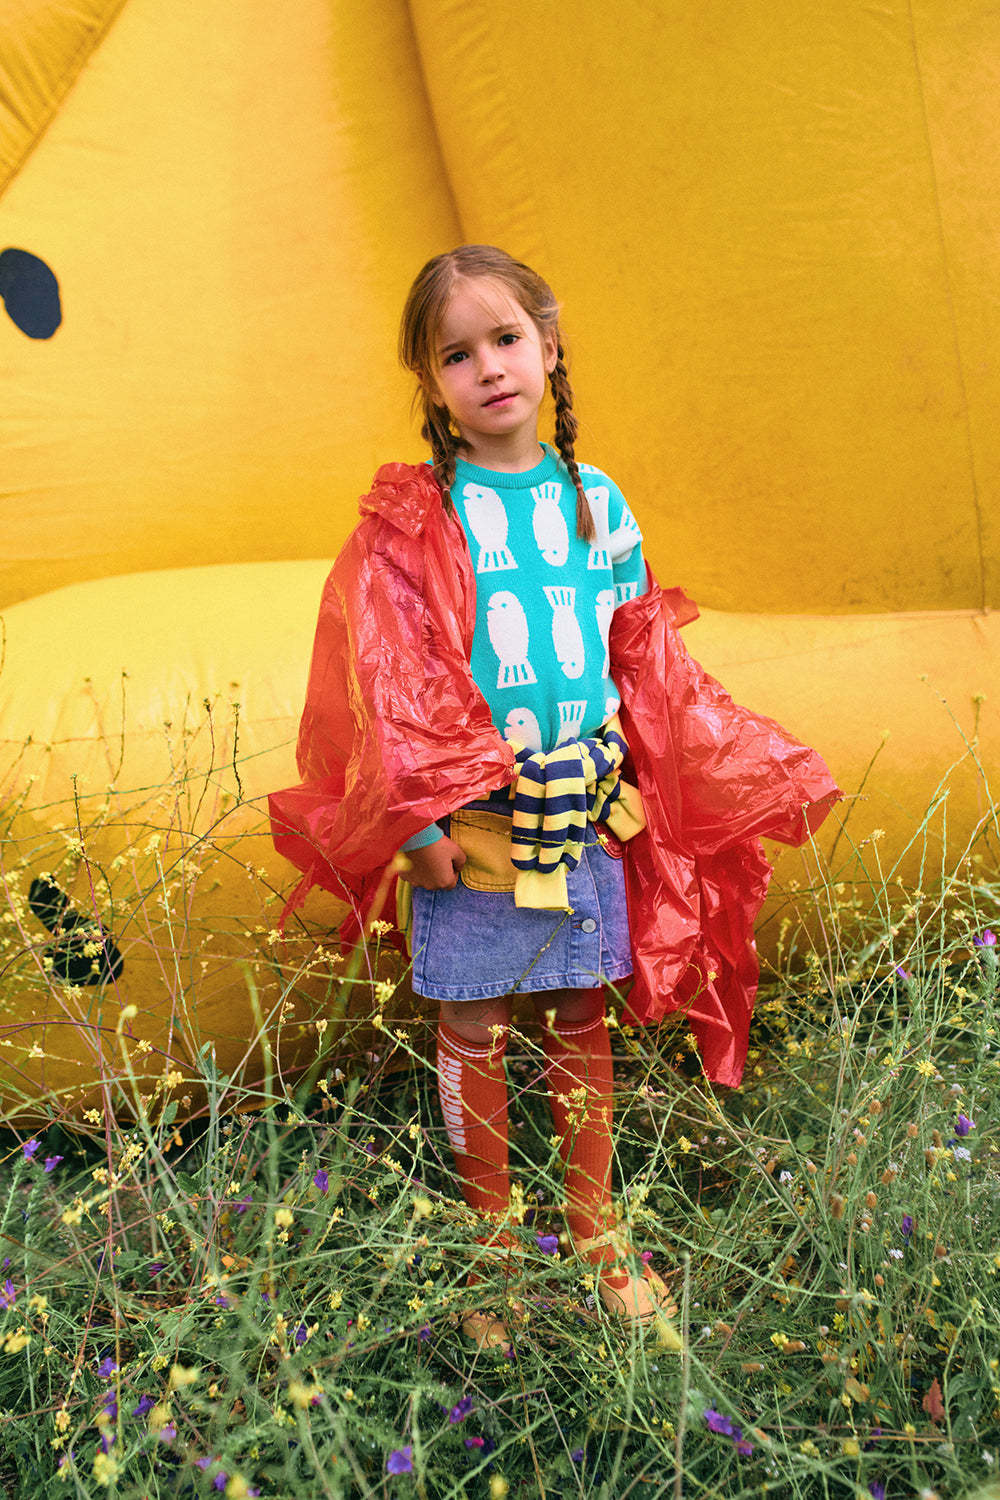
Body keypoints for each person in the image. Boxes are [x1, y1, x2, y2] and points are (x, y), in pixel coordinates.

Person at [270, 245, 840, 1353]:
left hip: (583, 805)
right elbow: (389, 673)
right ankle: (493, 1241)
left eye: (506, 338)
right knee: (474, 1019)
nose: (487, 367)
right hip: (478, 812)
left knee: (582, 1010)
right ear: (430, 382)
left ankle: (593, 1228)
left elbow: (642, 656)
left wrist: (676, 773)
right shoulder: (420, 517)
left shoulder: (596, 499)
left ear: (549, 343)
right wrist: (420, 820)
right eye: (455, 352)